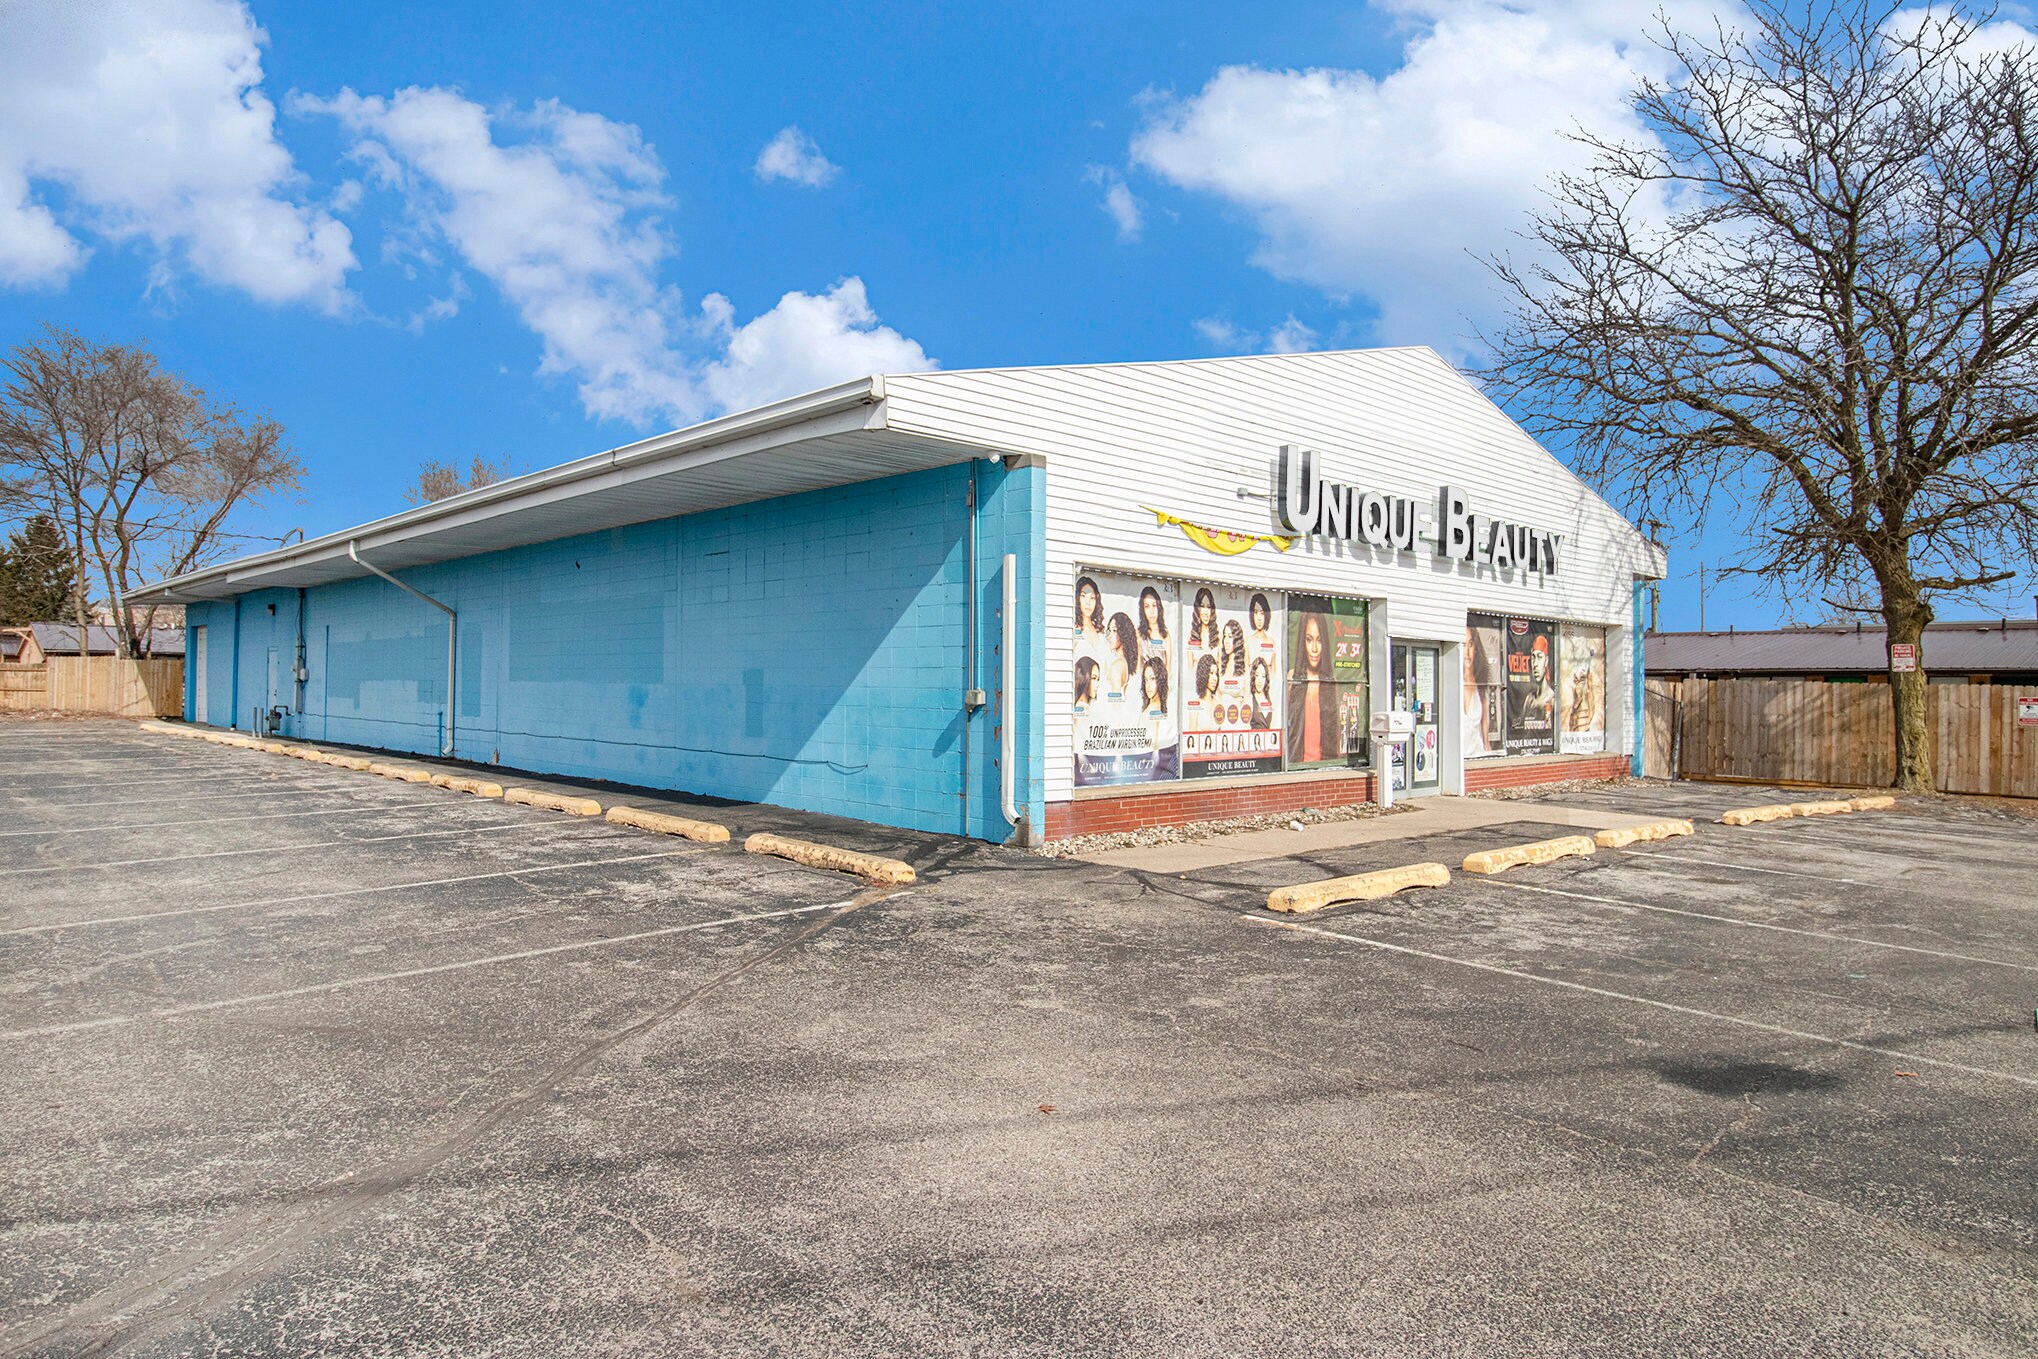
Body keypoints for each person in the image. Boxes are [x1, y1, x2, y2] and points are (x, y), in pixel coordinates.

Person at [1287, 612, 1342, 764]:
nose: (1315, 649)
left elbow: (1336, 735)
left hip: (1325, 765)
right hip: (1296, 766)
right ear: (1302, 642)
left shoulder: (1331, 682)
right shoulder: (1292, 679)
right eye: (1309, 640)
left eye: (1319, 640)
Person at [1105, 612, 1140, 704]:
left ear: (1123, 634)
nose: (1109, 636)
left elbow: (1116, 706)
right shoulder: (1123, 663)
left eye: (1114, 631)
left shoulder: (1117, 666)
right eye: (1109, 630)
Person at [1074, 576, 1106, 661]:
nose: (1088, 603)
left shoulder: (1100, 632)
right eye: (1083, 596)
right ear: (1077, 599)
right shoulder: (1075, 629)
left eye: (1092, 598)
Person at [1137, 585, 1169, 655]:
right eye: (1147, 606)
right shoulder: (1139, 634)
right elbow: (1138, 664)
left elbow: (1168, 665)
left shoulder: (1165, 634)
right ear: (1143, 609)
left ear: (1159, 607)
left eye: (1154, 606)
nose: (1151, 612)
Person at [1249, 657, 1274, 730]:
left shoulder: (1269, 698)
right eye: (1257, 675)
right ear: (1253, 677)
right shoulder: (1250, 700)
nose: (1260, 681)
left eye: (1263, 676)